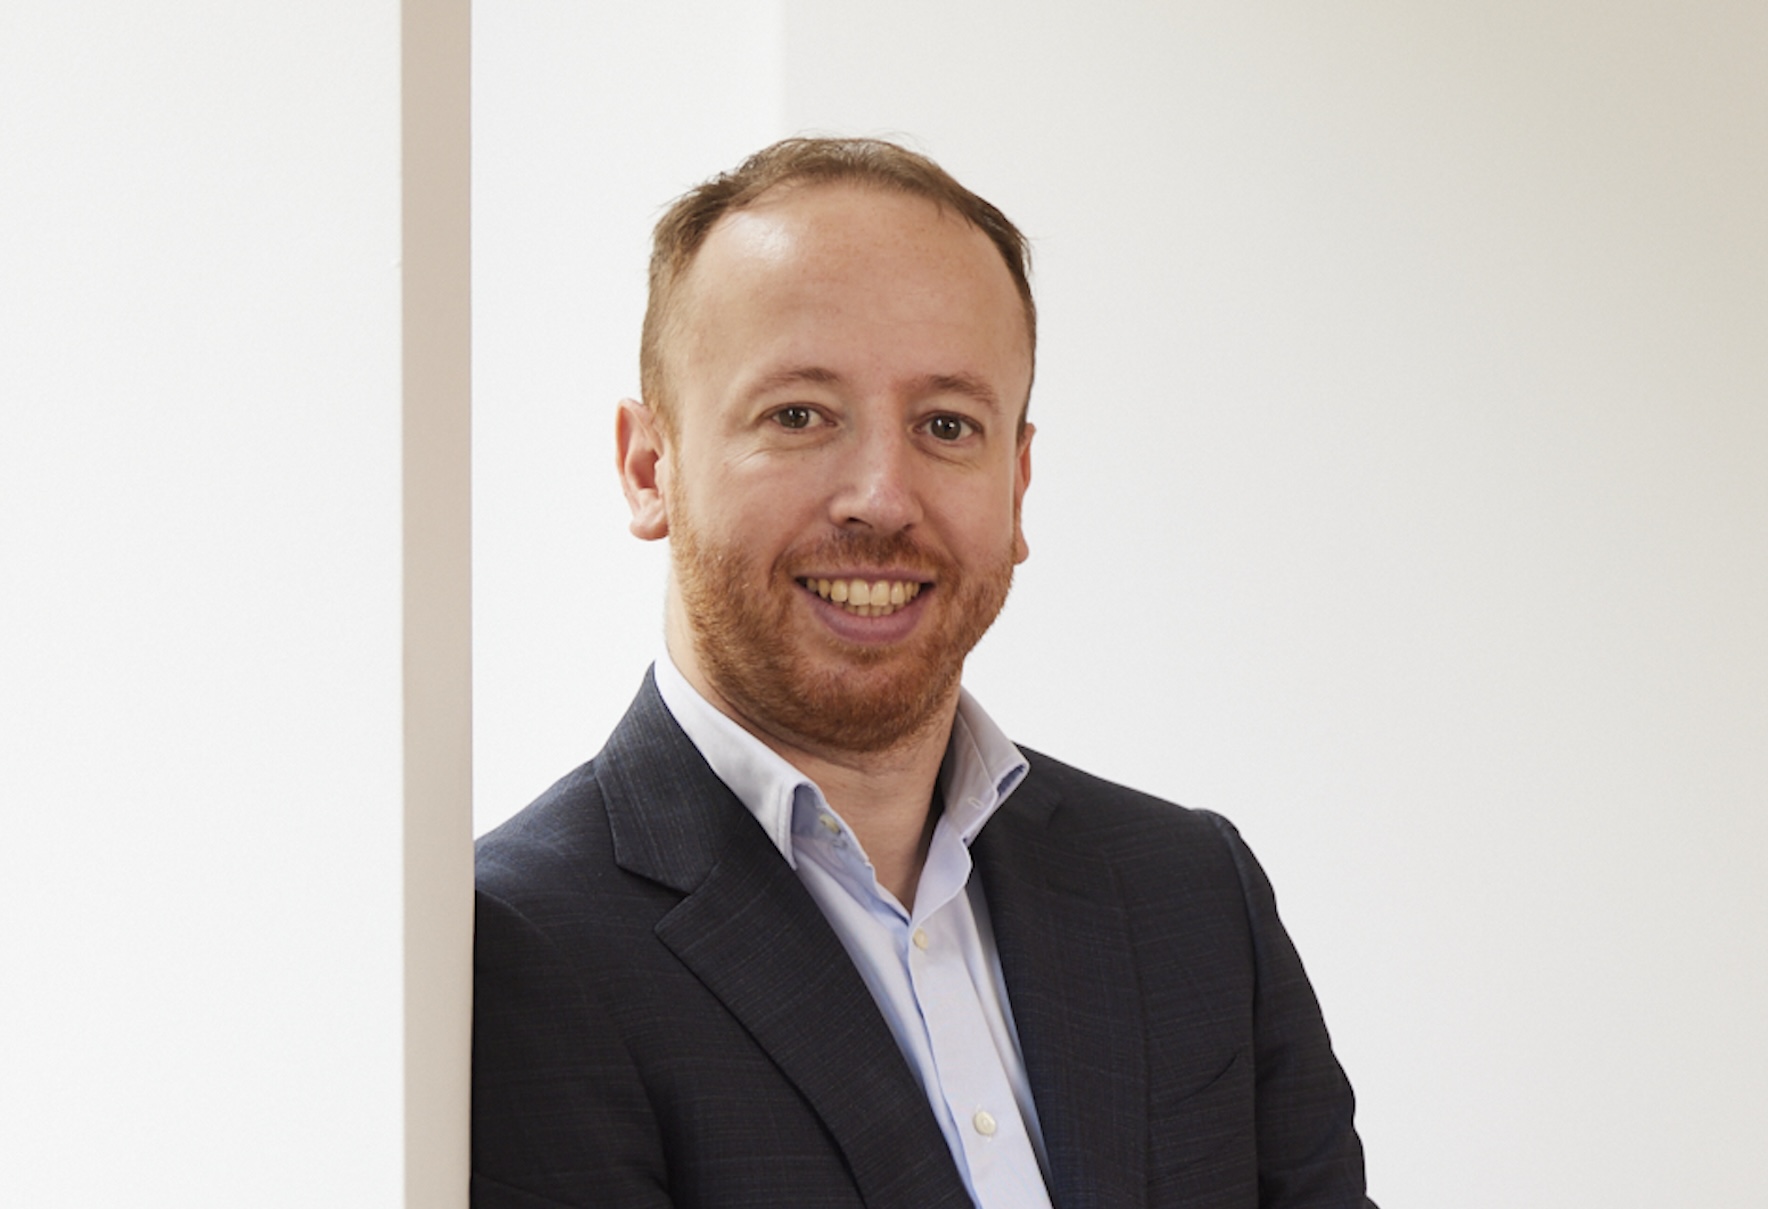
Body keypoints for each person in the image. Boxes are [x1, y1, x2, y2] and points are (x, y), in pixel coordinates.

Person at [472, 137, 1374, 1209]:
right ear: (648, 465)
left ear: (1018, 481)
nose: (882, 498)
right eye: (798, 415)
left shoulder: (1192, 896)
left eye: (947, 425)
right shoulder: (513, 949)